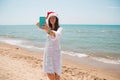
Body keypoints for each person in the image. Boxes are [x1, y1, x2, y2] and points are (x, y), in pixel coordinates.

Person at [36, 12, 63, 80]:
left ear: (56, 19)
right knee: (49, 72)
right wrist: (45, 18)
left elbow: (53, 34)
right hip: (48, 52)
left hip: (56, 53)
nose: (52, 19)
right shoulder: (47, 27)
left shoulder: (60, 29)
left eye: (54, 18)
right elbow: (37, 24)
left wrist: (47, 29)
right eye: (50, 18)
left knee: (57, 73)